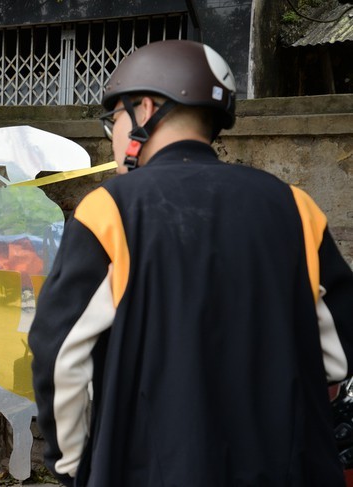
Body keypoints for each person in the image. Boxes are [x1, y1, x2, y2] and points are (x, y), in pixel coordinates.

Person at [28, 39, 353, 487]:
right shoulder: (296, 208)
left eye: (114, 120)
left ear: (144, 109)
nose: (113, 136)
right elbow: (336, 356)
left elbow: (60, 356)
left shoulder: (109, 211)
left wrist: (70, 465)